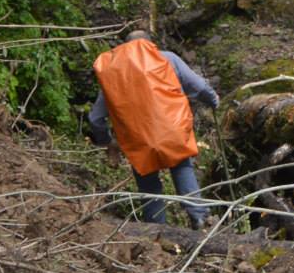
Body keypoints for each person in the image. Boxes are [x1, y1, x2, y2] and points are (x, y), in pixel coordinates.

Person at [86, 29, 220, 227]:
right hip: (172, 130)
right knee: (182, 166)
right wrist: (213, 100)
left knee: (147, 182)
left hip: (138, 138)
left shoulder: (114, 73)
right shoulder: (167, 58)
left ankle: (156, 229)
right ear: (150, 44)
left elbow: (96, 118)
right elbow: (199, 87)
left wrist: (107, 140)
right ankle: (198, 217)